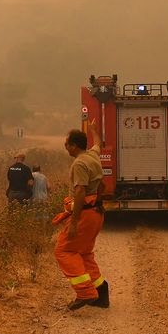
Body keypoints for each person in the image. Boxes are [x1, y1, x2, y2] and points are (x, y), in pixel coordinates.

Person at [54, 117, 109, 310]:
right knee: (84, 252)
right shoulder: (92, 155)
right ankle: (101, 293)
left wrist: (74, 222)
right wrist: (94, 129)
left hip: (85, 214)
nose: (65, 147)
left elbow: (79, 192)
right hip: (96, 213)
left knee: (64, 250)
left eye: (66, 144)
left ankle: (85, 293)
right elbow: (98, 144)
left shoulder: (79, 164)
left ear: (74, 146)